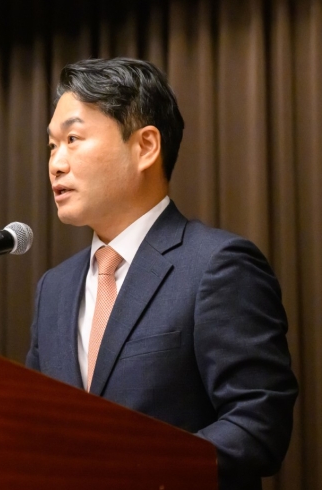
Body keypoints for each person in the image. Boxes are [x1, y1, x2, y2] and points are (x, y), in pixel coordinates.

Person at [25, 58, 298, 490]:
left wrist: (129, 471)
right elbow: (34, 429)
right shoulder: (53, 289)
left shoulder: (217, 265)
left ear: (146, 147)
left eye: (72, 139)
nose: (55, 164)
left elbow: (257, 424)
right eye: (51, 146)